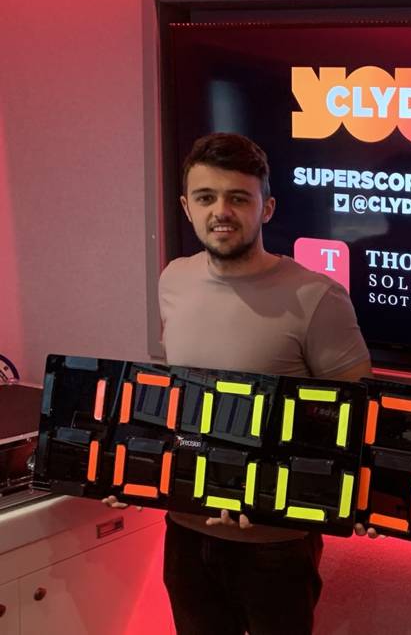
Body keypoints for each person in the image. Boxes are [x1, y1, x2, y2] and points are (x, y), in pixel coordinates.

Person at [107, 133, 372, 635]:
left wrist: (265, 492)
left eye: (238, 198)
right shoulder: (174, 280)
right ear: (186, 207)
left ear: (266, 208)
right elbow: (179, 401)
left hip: (275, 545)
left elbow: (354, 424)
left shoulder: (318, 297)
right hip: (185, 532)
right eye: (206, 197)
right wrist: (129, 471)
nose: (221, 212)